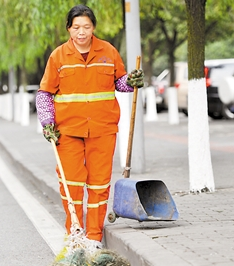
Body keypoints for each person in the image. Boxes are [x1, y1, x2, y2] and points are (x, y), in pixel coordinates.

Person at [36, 4, 144, 247]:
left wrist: (132, 80)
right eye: (76, 27)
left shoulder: (108, 51)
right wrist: (47, 122)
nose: (81, 32)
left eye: (86, 26)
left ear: (93, 27)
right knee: (71, 182)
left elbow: (121, 83)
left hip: (103, 129)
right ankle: (75, 231)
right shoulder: (58, 56)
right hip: (67, 131)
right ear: (69, 29)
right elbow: (44, 93)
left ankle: (94, 236)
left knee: (98, 184)